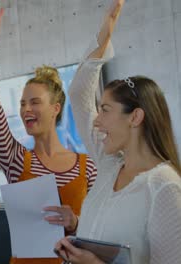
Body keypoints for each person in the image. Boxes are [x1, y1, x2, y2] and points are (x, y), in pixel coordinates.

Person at [55, 0, 181, 263]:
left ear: (135, 117)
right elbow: (78, 95)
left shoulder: (164, 188)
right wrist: (105, 31)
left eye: (106, 110)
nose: (97, 121)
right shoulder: (110, 163)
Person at [0, 4, 98, 264]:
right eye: (22, 103)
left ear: (56, 108)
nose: (26, 109)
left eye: (34, 102)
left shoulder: (87, 167)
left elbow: (100, 232)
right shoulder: (16, 160)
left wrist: (75, 222)